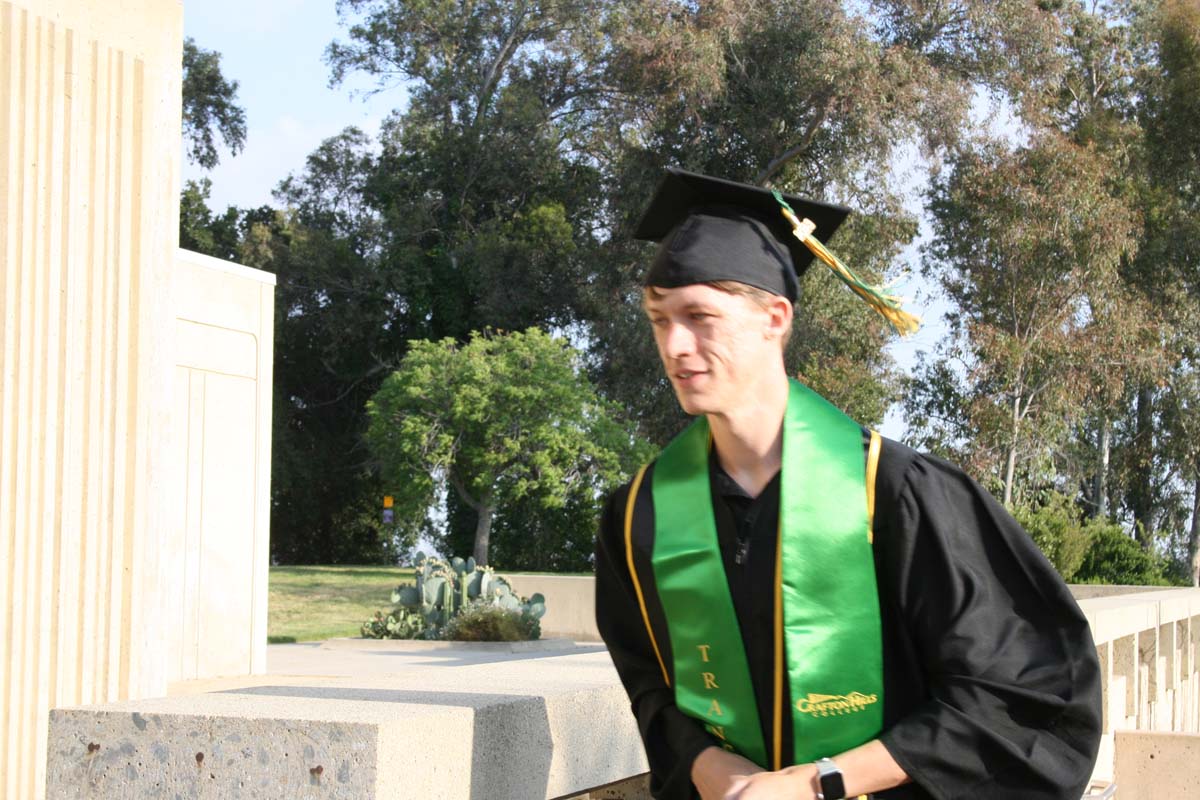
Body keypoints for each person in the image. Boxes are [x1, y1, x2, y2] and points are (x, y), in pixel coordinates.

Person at [594, 168, 1103, 800]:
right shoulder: (638, 515)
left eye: (699, 315)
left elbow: (1013, 691)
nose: (674, 344)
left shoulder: (895, 492)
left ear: (774, 318)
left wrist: (820, 782)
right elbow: (650, 685)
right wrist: (713, 769)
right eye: (658, 317)